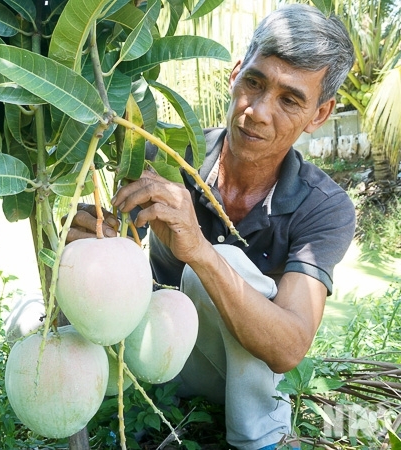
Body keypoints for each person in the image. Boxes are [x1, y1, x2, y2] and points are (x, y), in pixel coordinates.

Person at [67, 4, 356, 449]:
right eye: (254, 83)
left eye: (290, 99)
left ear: (320, 114)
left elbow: (289, 348)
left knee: (222, 261)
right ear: (236, 73)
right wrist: (94, 239)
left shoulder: (325, 207)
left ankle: (259, 438)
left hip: (242, 377)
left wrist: (198, 250)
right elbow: (119, 256)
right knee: (27, 317)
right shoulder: (169, 154)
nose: (258, 111)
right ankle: (150, 416)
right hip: (158, 363)